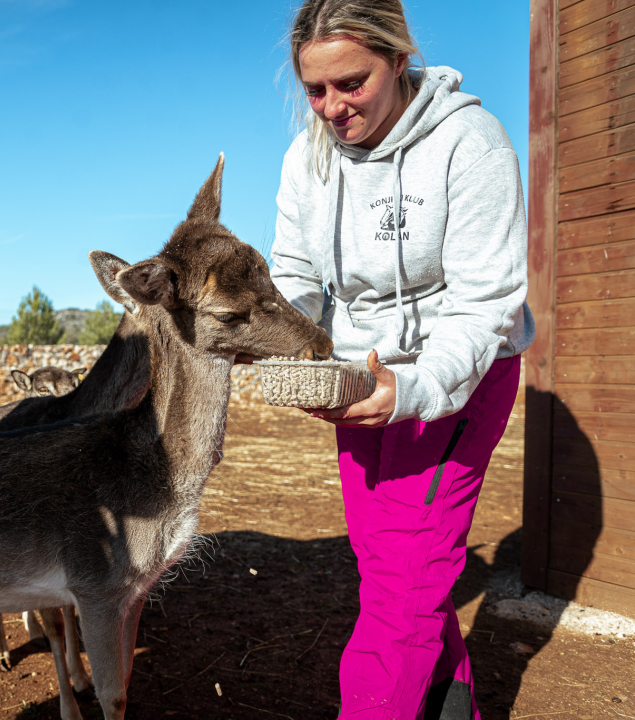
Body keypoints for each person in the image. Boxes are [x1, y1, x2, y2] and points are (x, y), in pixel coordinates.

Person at [268, 1, 535, 718]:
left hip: (457, 375)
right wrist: (289, 352)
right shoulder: (307, 156)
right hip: (356, 379)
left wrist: (416, 388)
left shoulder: (470, 143)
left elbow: (486, 302)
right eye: (314, 90)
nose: (331, 108)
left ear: (398, 58)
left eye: (350, 83)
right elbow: (293, 274)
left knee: (403, 585)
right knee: (391, 567)